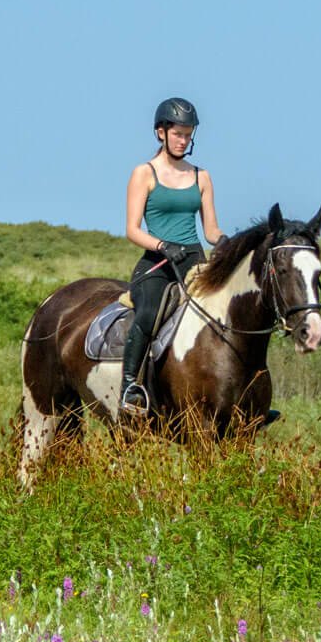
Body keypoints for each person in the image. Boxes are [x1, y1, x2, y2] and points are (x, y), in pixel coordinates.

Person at [120, 97, 227, 417]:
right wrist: (162, 246)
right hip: (158, 262)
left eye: (188, 134)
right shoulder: (144, 173)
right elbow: (131, 229)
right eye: (178, 133)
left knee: (230, 311)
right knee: (150, 311)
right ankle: (130, 386)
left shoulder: (201, 176)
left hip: (194, 259)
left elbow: (210, 229)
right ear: (160, 133)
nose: (184, 140)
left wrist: (224, 241)